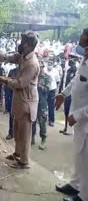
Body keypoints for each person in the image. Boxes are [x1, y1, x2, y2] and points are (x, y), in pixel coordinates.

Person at [0, 30, 40, 169]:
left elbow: (20, 83)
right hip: (20, 98)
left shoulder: (32, 63)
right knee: (17, 128)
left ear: (29, 45)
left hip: (27, 100)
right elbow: (8, 57)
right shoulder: (23, 55)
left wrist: (3, 79)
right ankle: (17, 153)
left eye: (23, 42)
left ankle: (24, 161)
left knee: (24, 132)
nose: (20, 44)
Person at [55, 28, 88, 201]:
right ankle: (75, 185)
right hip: (79, 121)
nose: (81, 47)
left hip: (85, 119)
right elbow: (77, 81)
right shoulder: (85, 60)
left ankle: (84, 196)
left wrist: (78, 115)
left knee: (86, 159)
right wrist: (63, 94)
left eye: (84, 44)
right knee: (78, 154)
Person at [32, 59, 52, 150]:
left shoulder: (47, 77)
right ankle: (32, 138)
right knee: (32, 120)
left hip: (42, 103)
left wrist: (38, 85)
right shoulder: (33, 76)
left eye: (40, 66)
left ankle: (43, 140)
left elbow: (47, 89)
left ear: (43, 67)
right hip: (33, 102)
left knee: (42, 122)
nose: (38, 68)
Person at [60, 59, 77, 135]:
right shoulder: (69, 70)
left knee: (70, 112)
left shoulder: (75, 71)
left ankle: (70, 130)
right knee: (66, 112)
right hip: (67, 93)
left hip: (72, 94)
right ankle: (66, 128)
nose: (70, 63)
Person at [5, 65, 19, 140]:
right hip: (12, 95)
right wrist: (7, 97)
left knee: (21, 117)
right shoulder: (12, 71)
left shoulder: (25, 71)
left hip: (21, 97)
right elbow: (8, 83)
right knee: (12, 115)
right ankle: (11, 133)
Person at [45, 59, 60, 127]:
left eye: (51, 63)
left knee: (51, 106)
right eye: (49, 62)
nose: (49, 64)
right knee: (43, 105)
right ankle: (42, 119)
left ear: (53, 64)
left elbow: (58, 81)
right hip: (44, 90)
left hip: (52, 90)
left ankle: (51, 120)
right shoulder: (44, 70)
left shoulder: (55, 71)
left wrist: (55, 89)